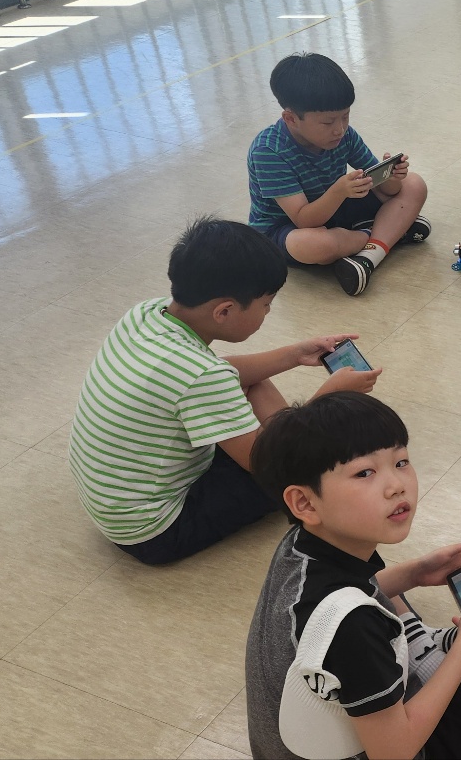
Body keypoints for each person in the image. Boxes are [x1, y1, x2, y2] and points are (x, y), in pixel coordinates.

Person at [244, 392, 461, 760]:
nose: (396, 485)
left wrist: (416, 573)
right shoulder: (353, 627)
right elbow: (395, 754)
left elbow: (342, 604)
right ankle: (428, 656)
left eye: (400, 461)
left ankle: (417, 649)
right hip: (395, 746)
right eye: (365, 472)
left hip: (312, 731)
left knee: (376, 581)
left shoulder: (300, 545)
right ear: (305, 502)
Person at [67, 217, 380, 565]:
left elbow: (221, 374)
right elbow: (264, 463)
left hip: (114, 497)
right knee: (295, 471)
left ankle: (288, 430)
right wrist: (329, 397)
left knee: (247, 382)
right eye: (266, 305)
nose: (268, 312)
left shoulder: (146, 314)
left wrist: (295, 354)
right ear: (224, 311)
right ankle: (293, 433)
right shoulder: (202, 376)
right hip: (154, 531)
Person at [248, 52, 432, 296]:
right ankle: (389, 233)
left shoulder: (344, 135)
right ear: (291, 118)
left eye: (345, 117)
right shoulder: (269, 151)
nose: (340, 129)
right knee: (316, 245)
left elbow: (388, 190)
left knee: (414, 184)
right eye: (328, 122)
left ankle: (367, 257)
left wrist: (392, 177)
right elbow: (304, 220)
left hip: (335, 210)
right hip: (289, 228)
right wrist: (338, 191)